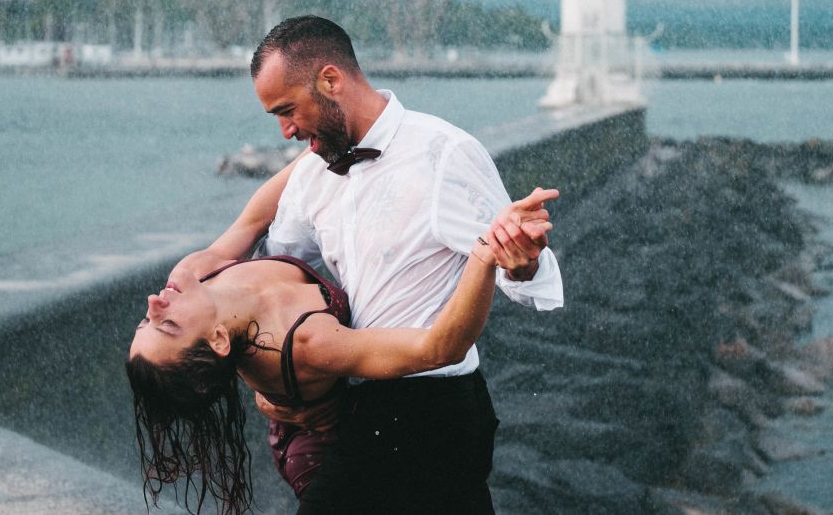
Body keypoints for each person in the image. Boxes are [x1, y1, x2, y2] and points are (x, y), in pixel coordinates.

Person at [183, 14, 563, 512]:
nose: (285, 130)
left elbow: (525, 275)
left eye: (287, 109)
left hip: (433, 404)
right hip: (353, 403)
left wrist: (521, 261)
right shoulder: (310, 177)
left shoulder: (443, 153)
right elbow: (278, 275)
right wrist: (273, 382)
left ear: (331, 81)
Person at [127, 187, 556, 515]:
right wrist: (483, 254)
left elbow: (259, 212)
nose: (153, 303)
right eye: (167, 324)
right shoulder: (309, 344)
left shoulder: (192, 274)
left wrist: (338, 126)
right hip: (319, 447)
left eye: (147, 321)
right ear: (219, 340)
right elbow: (438, 347)